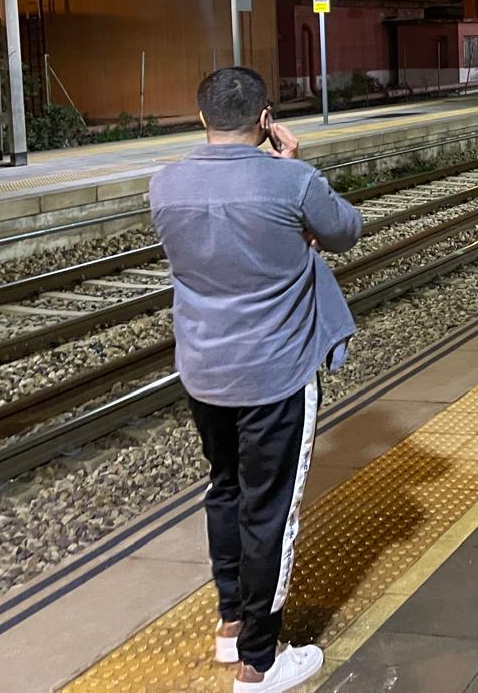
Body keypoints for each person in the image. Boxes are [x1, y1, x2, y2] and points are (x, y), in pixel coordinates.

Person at [149, 67, 362, 693]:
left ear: (201, 118)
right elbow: (346, 231)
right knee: (271, 512)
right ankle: (260, 662)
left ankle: (230, 622)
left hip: (203, 370)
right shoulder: (292, 179)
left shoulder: (165, 184)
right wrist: (296, 165)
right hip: (277, 373)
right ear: (267, 120)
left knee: (225, 489)